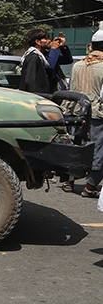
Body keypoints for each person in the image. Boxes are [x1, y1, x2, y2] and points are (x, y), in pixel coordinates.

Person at [63, 29, 103, 198]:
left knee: (77, 145)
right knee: (98, 149)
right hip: (97, 114)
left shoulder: (78, 64)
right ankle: (90, 186)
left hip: (77, 112)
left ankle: (69, 181)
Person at [19, 29, 57, 94]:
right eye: (46, 39)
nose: (49, 41)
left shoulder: (42, 56)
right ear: (38, 42)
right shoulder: (34, 57)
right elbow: (30, 81)